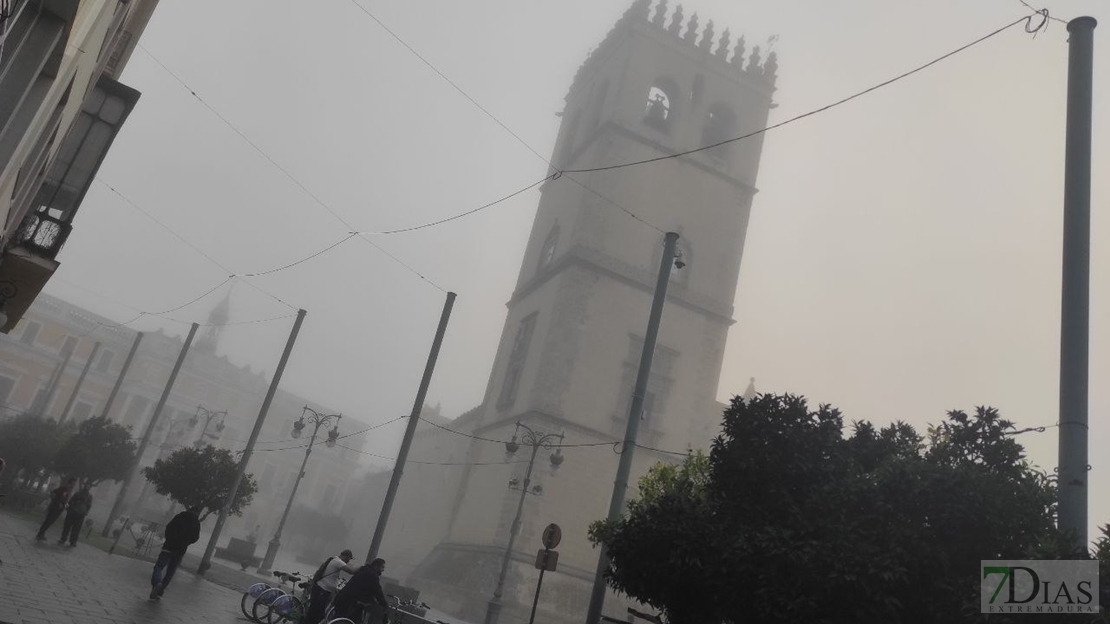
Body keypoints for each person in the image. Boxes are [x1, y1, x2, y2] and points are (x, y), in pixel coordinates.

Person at [149, 506, 201, 599]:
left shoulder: (179, 517)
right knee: (170, 572)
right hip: (180, 550)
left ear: (189, 510)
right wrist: (186, 542)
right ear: (197, 513)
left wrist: (169, 539)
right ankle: (160, 590)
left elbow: (168, 527)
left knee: (159, 566)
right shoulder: (196, 523)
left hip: (168, 546)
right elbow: (195, 538)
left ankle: (157, 583)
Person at [304, 549, 360, 624]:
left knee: (315, 611)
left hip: (321, 589)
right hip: (322, 590)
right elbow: (351, 571)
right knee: (316, 613)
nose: (349, 561)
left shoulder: (334, 559)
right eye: (349, 559)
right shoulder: (338, 562)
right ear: (346, 556)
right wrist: (362, 567)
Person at [331, 558, 388, 624]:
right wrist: (384, 605)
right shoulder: (373, 576)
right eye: (382, 567)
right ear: (376, 566)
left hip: (342, 597)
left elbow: (364, 589)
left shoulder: (363, 570)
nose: (383, 570)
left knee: (340, 619)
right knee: (344, 621)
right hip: (348, 602)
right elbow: (378, 592)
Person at [35, 477, 76, 541]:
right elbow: (63, 498)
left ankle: (41, 533)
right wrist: (60, 503)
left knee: (48, 521)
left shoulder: (64, 488)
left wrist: (56, 501)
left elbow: (54, 492)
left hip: (55, 506)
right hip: (56, 508)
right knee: (49, 521)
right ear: (71, 483)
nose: (74, 484)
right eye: (74, 483)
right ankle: (40, 533)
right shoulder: (66, 488)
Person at [59, 481, 93, 546]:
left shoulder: (89, 496)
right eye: (87, 486)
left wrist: (85, 512)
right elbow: (71, 501)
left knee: (76, 529)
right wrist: (68, 509)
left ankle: (73, 541)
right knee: (67, 527)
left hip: (80, 515)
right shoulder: (77, 493)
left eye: (89, 486)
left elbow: (89, 506)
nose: (87, 487)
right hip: (72, 512)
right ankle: (63, 539)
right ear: (85, 486)